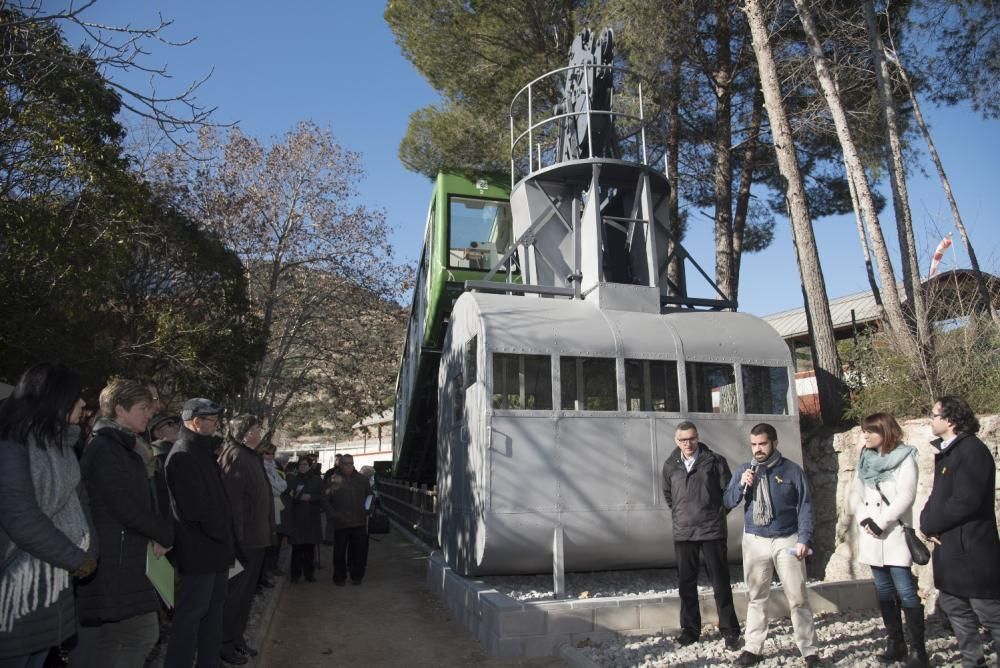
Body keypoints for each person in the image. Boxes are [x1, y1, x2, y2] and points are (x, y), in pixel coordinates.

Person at [72, 379, 175, 668]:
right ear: (119, 409)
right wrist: (163, 533)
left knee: (119, 639)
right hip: (115, 561)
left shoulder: (124, 445)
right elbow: (125, 506)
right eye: (143, 408)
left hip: (126, 557)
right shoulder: (105, 448)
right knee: (138, 635)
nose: (149, 414)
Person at [0, 362, 97, 668]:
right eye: (75, 396)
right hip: (15, 591)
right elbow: (21, 518)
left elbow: (81, 501)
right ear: (54, 398)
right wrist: (76, 557)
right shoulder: (10, 446)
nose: (83, 403)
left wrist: (91, 549)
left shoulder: (63, 446)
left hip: (53, 586)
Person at [724, 423, 819, 667]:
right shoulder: (746, 469)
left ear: (774, 443)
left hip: (787, 538)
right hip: (755, 539)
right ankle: (753, 648)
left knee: (797, 597)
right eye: (754, 444)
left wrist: (803, 539)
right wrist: (740, 484)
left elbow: (806, 505)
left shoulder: (791, 471)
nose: (758, 449)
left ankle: (809, 650)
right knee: (757, 596)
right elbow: (727, 502)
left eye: (763, 444)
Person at [920, 396, 1000, 668]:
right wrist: (925, 522)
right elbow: (938, 497)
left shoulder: (972, 451)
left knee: (990, 614)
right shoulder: (949, 452)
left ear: (951, 419)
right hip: (951, 551)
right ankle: (972, 662)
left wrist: (932, 524)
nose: (931, 419)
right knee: (956, 609)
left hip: (973, 550)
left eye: (934, 414)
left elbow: (965, 501)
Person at [848, 412, 926, 666]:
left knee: (905, 590)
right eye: (864, 431)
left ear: (886, 432)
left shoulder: (905, 458)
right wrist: (864, 519)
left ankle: (918, 650)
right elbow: (855, 493)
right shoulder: (865, 459)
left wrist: (881, 523)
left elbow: (907, 495)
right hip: (871, 534)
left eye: (871, 431)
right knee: (883, 590)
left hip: (893, 533)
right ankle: (896, 643)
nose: (866, 435)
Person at [163, 398, 235, 668]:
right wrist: (222, 532)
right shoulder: (183, 455)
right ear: (195, 422)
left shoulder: (201, 453)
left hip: (215, 549)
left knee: (213, 614)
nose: (216, 427)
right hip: (199, 551)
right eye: (213, 422)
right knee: (190, 617)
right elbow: (196, 509)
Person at [661, 421, 740, 649]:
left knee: (720, 582)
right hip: (684, 533)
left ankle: (730, 630)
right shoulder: (670, 465)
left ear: (698, 437)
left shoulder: (715, 461)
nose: (688, 443)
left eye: (691, 438)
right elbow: (669, 496)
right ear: (677, 441)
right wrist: (680, 514)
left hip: (712, 531)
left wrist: (717, 513)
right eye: (683, 439)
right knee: (686, 583)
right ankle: (690, 630)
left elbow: (729, 492)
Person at [217, 415, 274, 664]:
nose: (260, 431)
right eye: (255, 427)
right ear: (244, 432)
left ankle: (236, 639)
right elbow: (232, 503)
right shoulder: (236, 455)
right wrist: (237, 540)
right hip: (244, 541)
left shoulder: (251, 455)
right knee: (234, 596)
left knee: (245, 595)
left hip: (256, 538)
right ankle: (224, 645)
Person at [325, 453, 373, 586]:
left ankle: (357, 576)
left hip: (359, 521)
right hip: (341, 522)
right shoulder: (332, 480)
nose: (349, 466)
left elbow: (370, 495)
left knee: (359, 551)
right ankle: (340, 577)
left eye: (351, 463)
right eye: (346, 463)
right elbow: (325, 500)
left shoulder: (362, 479)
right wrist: (333, 514)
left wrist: (368, 509)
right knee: (339, 552)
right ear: (340, 465)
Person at [284, 457, 324, 583]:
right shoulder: (293, 480)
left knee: (309, 550)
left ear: (310, 466)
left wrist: (311, 497)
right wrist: (297, 497)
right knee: (296, 549)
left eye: (305, 464)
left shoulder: (317, 480)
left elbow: (323, 497)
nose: (302, 466)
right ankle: (295, 575)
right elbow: (287, 496)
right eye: (300, 464)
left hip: (312, 518)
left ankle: (309, 574)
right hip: (297, 519)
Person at [260, 445, 287, 578]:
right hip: (267, 508)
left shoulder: (273, 469)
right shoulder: (261, 469)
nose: (270, 456)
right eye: (267, 453)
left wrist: (278, 487)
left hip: (275, 507)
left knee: (274, 541)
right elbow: (277, 489)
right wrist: (278, 487)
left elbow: (283, 486)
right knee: (268, 542)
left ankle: (271, 568)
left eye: (272, 453)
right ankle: (265, 571)